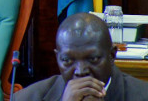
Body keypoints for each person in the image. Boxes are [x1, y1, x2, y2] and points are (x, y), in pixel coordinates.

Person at [12, 12, 148, 101]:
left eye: (93, 59)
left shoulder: (143, 95)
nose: (81, 71)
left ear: (112, 55)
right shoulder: (27, 98)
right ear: (57, 58)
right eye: (67, 60)